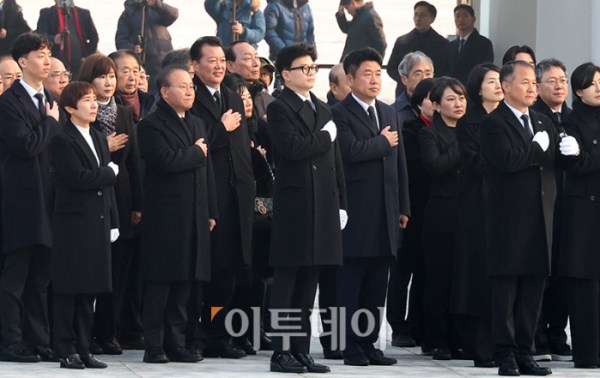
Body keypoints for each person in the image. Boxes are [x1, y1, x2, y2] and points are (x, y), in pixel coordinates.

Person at [480, 60, 579, 376]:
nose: (532, 88)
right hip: (509, 220)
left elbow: (552, 162)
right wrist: (536, 149)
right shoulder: (494, 123)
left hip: (541, 217)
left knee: (533, 290)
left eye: (534, 83)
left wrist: (569, 152)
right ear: (506, 86)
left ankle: (526, 351)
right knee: (506, 291)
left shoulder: (542, 121)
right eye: (525, 82)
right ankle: (504, 353)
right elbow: (506, 161)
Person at [266, 42, 345, 374]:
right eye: (304, 68)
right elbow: (291, 147)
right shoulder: (279, 107)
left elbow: (335, 162)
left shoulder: (323, 108)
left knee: (309, 282)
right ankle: (280, 352)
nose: (311, 73)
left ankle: (300, 350)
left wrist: (341, 200)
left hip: (324, 202)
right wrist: (325, 138)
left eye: (314, 67)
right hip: (296, 203)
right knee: (287, 282)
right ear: (286, 74)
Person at [332, 47, 409, 367]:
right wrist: (381, 143)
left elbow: (400, 162)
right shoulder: (339, 112)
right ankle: (347, 345)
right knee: (350, 284)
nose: (375, 80)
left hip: (387, 211)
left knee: (378, 284)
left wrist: (403, 205)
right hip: (357, 211)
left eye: (378, 74)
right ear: (350, 79)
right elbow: (348, 152)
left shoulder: (388, 111)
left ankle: (369, 343)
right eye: (367, 74)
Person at [137, 65, 216, 364]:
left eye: (191, 86)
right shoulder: (151, 125)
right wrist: (196, 153)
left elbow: (206, 171)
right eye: (182, 86)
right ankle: (154, 345)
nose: (189, 91)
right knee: (161, 284)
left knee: (185, 284)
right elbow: (165, 161)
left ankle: (177, 343)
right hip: (166, 217)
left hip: (195, 213)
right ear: (164, 91)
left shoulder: (197, 124)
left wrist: (211, 210)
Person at [0, 32, 66, 363]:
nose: (47, 59)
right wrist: (51, 124)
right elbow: (26, 146)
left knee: (42, 277)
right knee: (15, 276)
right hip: (21, 201)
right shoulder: (8, 103)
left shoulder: (50, 101)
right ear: (23, 61)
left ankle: (39, 340)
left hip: (50, 200)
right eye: (40, 54)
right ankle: (10, 342)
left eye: (48, 53)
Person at [188, 36, 255, 359]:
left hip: (236, 196)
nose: (217, 66)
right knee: (203, 272)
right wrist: (221, 127)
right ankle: (193, 334)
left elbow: (242, 148)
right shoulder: (189, 96)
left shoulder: (232, 95)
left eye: (220, 61)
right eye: (210, 61)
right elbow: (195, 143)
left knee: (228, 274)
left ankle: (219, 335)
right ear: (194, 65)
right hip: (206, 196)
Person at [49, 81, 119, 370]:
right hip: (73, 223)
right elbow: (77, 177)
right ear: (69, 108)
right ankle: (66, 349)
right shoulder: (62, 139)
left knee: (90, 289)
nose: (93, 104)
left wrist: (113, 220)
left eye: (93, 99)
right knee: (69, 289)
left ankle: (84, 348)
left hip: (98, 221)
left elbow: (107, 187)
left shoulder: (100, 137)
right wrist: (108, 173)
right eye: (86, 100)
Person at [77, 53, 144, 356]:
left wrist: (137, 204)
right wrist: (105, 146)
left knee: (118, 273)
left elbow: (135, 163)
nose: (109, 82)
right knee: (91, 271)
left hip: (122, 197)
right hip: (89, 201)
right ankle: (85, 332)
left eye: (111, 77)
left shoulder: (124, 114)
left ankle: (110, 332)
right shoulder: (79, 112)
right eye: (102, 76)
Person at [452, 63, 503, 367]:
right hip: (478, 205)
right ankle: (479, 347)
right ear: (477, 87)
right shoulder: (469, 121)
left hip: (506, 206)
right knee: (478, 277)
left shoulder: (507, 119)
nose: (498, 86)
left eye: (500, 80)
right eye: (491, 81)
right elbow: (476, 164)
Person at [417, 77, 466, 360]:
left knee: (462, 281)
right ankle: (437, 340)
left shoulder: (471, 130)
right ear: (435, 105)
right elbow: (435, 166)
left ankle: (459, 338)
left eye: (461, 98)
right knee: (438, 282)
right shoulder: (429, 134)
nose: (458, 103)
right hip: (440, 218)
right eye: (450, 99)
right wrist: (461, 145)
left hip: (468, 216)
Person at [530, 58, 573, 363]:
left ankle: (558, 335)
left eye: (563, 81)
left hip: (573, 207)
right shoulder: (534, 118)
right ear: (537, 85)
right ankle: (538, 336)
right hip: (542, 204)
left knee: (564, 273)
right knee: (541, 273)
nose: (559, 86)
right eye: (552, 81)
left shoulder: (573, 117)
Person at [558, 62, 600, 369]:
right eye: (592, 83)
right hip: (582, 214)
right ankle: (586, 353)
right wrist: (585, 159)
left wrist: (588, 157)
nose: (599, 87)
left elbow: (584, 160)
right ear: (578, 90)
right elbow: (573, 164)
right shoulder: (571, 122)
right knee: (584, 286)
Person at [390, 77, 435, 352]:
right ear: (419, 103)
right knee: (402, 270)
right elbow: (414, 170)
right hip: (412, 209)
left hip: (436, 212)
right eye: (433, 98)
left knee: (426, 272)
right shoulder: (410, 128)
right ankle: (398, 325)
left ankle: (419, 325)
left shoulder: (450, 130)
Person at [115, 0, 179, 93]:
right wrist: (132, 49)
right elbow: (120, 41)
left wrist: (157, 4)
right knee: (150, 92)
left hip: (166, 60)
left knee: (169, 89)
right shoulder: (127, 15)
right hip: (145, 64)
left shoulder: (157, 10)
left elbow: (173, 15)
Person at [387, 1, 448, 97]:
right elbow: (391, 68)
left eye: (422, 15)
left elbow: (445, 70)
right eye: (415, 15)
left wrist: (430, 82)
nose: (418, 19)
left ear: (432, 19)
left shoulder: (442, 44)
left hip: (431, 93)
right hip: (404, 92)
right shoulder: (402, 42)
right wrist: (407, 80)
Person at [36, 0, 98, 79]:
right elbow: (39, 36)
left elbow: (93, 37)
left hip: (79, 62)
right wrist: (54, 39)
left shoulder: (84, 13)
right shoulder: (47, 13)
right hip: (56, 61)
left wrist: (86, 55)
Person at [440, 4, 493, 84]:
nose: (460, 19)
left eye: (465, 16)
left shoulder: (483, 43)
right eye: (457, 16)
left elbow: (482, 70)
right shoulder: (451, 45)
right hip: (451, 88)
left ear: (473, 19)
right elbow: (444, 69)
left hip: (472, 88)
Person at [224, 40, 274, 119]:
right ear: (230, 66)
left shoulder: (270, 100)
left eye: (256, 57)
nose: (256, 63)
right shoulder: (224, 99)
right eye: (247, 58)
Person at [109, 50, 154, 123]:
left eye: (135, 71)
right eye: (126, 72)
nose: (132, 77)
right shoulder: (106, 106)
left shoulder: (149, 102)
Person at [392, 51, 433, 128]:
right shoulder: (393, 112)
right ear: (404, 79)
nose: (424, 79)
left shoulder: (442, 106)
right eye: (418, 74)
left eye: (428, 74)